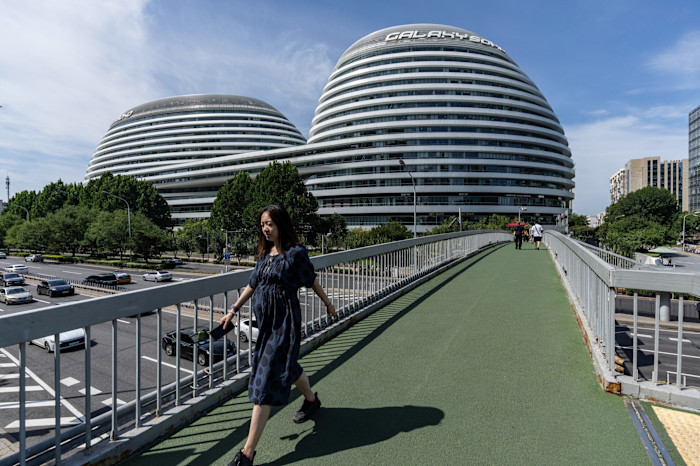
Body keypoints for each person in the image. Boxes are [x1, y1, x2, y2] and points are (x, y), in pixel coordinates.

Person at [219, 204, 337, 466]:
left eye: (269, 223)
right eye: (262, 224)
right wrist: (233, 310)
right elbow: (252, 284)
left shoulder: (295, 254)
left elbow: (311, 279)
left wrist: (328, 304)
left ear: (281, 224)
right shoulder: (264, 254)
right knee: (288, 367)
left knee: (264, 381)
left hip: (285, 324)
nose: (265, 228)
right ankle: (312, 400)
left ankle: (247, 454)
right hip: (267, 325)